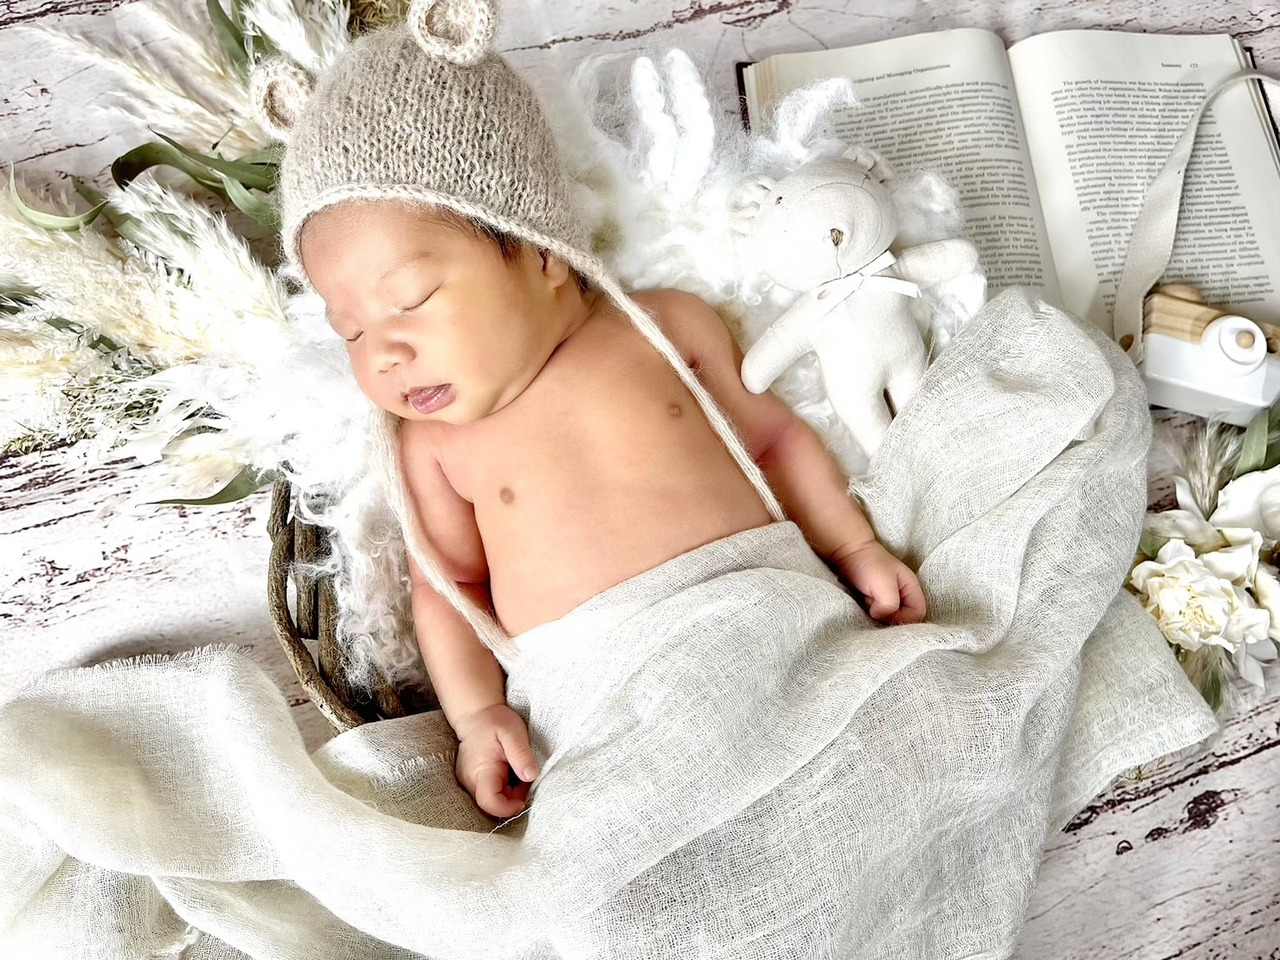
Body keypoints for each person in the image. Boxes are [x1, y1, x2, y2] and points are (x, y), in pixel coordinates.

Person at [272, 0, 925, 822]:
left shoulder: (661, 329)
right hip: (599, 700)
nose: (383, 353)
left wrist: (852, 545)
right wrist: (478, 716)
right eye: (351, 330)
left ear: (541, 252)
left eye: (412, 299)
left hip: (770, 624)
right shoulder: (435, 447)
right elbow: (449, 587)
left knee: (883, 759)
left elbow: (774, 441)